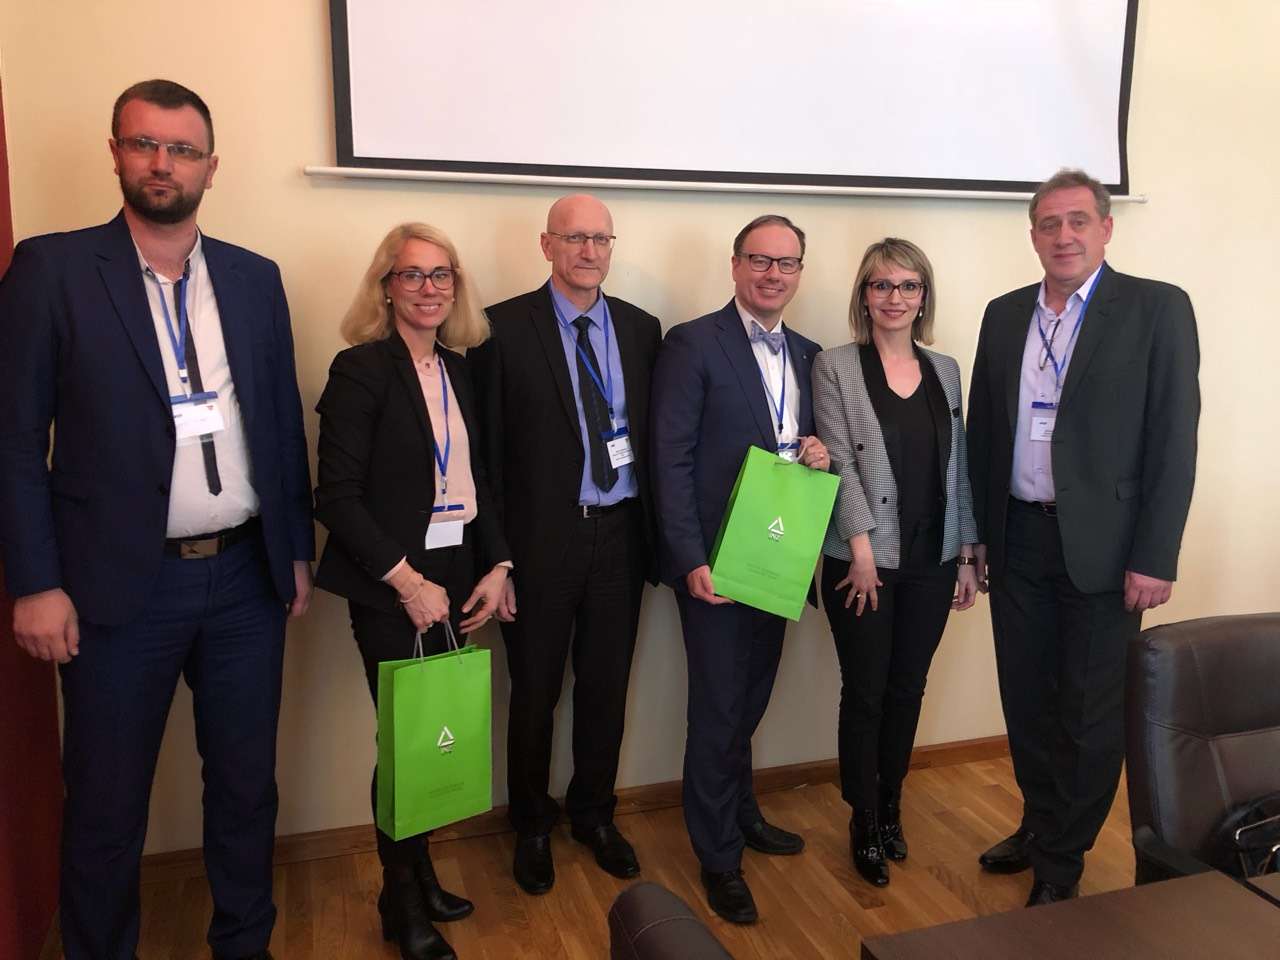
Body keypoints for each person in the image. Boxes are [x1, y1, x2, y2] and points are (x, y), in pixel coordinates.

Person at [0, 79, 313, 960]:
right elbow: (14, 439)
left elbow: (280, 424)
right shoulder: (53, 271)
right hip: (113, 591)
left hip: (246, 580)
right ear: (116, 154)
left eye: (182, 149)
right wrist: (36, 583)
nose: (162, 163)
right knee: (105, 807)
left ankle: (243, 945)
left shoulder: (254, 278)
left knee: (246, 789)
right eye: (145, 144)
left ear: (212, 166)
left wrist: (293, 550)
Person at [967, 169, 1200, 906]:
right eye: (1049, 223)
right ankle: (1041, 824)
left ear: (1106, 228)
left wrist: (1155, 555)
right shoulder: (1005, 314)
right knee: (1027, 701)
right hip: (1018, 539)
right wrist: (978, 538)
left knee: (1090, 713)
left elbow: (1174, 440)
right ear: (1033, 234)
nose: (1063, 236)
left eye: (1077, 221)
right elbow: (984, 434)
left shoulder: (1157, 308)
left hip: (1108, 548)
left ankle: (1061, 864)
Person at [313, 222, 511, 960]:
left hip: (457, 575)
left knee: (433, 733)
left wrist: (498, 565)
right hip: (393, 583)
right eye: (412, 275)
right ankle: (400, 902)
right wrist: (407, 584)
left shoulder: (459, 369)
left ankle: (418, 879)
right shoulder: (360, 369)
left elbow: (478, 479)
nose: (429, 289)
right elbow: (335, 496)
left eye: (441, 275)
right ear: (386, 287)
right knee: (405, 740)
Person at [469, 195, 661, 894]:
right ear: (546, 244)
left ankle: (594, 815)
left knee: (607, 688)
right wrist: (498, 558)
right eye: (574, 237)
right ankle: (530, 824)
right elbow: (484, 460)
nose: (589, 251)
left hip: (621, 535)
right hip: (540, 544)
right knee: (535, 692)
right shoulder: (499, 328)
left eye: (600, 239)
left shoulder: (641, 329)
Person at [650, 214, 831, 924]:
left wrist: (817, 453)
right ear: (735, 265)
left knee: (751, 698)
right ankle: (719, 856)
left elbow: (804, 444)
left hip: (778, 557)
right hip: (718, 566)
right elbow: (670, 458)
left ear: (799, 273)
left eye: (786, 263)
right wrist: (690, 558)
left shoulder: (811, 355)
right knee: (718, 709)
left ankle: (743, 812)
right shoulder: (692, 343)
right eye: (759, 260)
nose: (772, 274)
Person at [812, 238, 980, 887]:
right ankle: (861, 817)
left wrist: (964, 553)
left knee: (909, 687)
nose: (895, 298)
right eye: (882, 285)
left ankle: (891, 805)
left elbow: (957, 467)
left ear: (923, 297)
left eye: (909, 286)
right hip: (863, 562)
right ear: (864, 295)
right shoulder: (835, 365)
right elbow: (838, 461)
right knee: (866, 691)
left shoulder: (946, 369)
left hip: (931, 559)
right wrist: (860, 550)